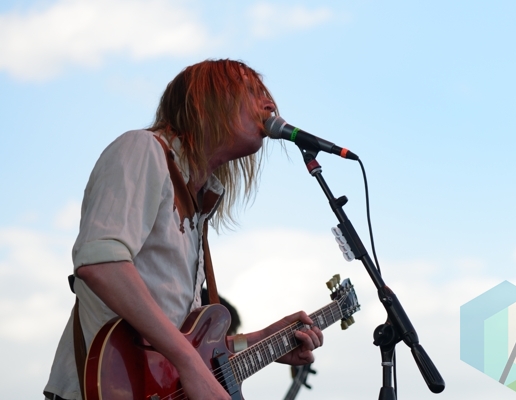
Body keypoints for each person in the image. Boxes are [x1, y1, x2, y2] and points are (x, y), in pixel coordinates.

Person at [43, 59, 323, 400]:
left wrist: (263, 340)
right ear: (207, 101)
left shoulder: (199, 203)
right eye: (252, 91)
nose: (269, 104)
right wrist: (189, 364)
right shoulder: (143, 149)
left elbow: (185, 342)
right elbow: (101, 263)